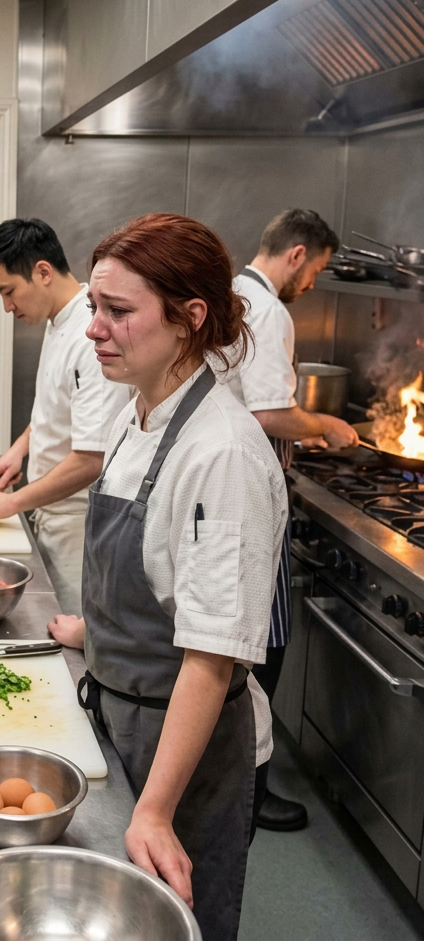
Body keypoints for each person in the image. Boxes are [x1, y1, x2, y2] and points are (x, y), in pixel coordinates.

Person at [48, 213, 287, 941]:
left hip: (181, 747)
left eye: (119, 311)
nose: (94, 328)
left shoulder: (222, 452)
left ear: (189, 319)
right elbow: (161, 579)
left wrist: (153, 810)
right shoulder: (139, 412)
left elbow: (212, 659)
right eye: (95, 305)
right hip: (121, 712)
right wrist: (98, 630)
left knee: (176, 924)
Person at [229, 208, 359, 833]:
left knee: (246, 649)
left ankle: (240, 784)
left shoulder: (235, 292)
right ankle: (249, 793)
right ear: (298, 253)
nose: (312, 286)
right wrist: (326, 426)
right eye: (317, 272)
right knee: (262, 648)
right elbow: (266, 413)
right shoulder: (269, 309)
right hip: (252, 497)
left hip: (235, 486)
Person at [0, 219, 130, 616]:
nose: (6, 306)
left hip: (77, 520)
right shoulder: (59, 322)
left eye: (8, 291)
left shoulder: (90, 335)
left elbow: (92, 457)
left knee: (74, 631)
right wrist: (19, 450)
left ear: (42, 272)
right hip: (50, 509)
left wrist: (12, 503)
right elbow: (55, 411)